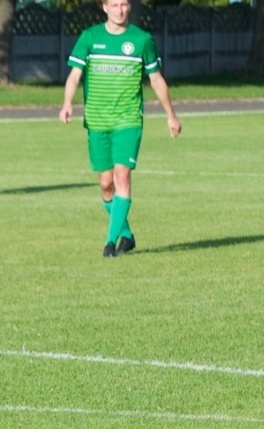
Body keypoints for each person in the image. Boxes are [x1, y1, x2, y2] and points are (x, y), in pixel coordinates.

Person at [60, 0, 180, 257]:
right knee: (106, 184)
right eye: (114, 5)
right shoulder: (90, 37)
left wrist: (171, 115)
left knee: (122, 177)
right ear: (104, 7)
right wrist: (67, 103)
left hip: (128, 120)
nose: (120, 10)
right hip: (97, 120)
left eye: (124, 4)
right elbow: (74, 75)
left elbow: (156, 80)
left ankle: (110, 242)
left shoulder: (141, 40)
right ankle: (126, 234)